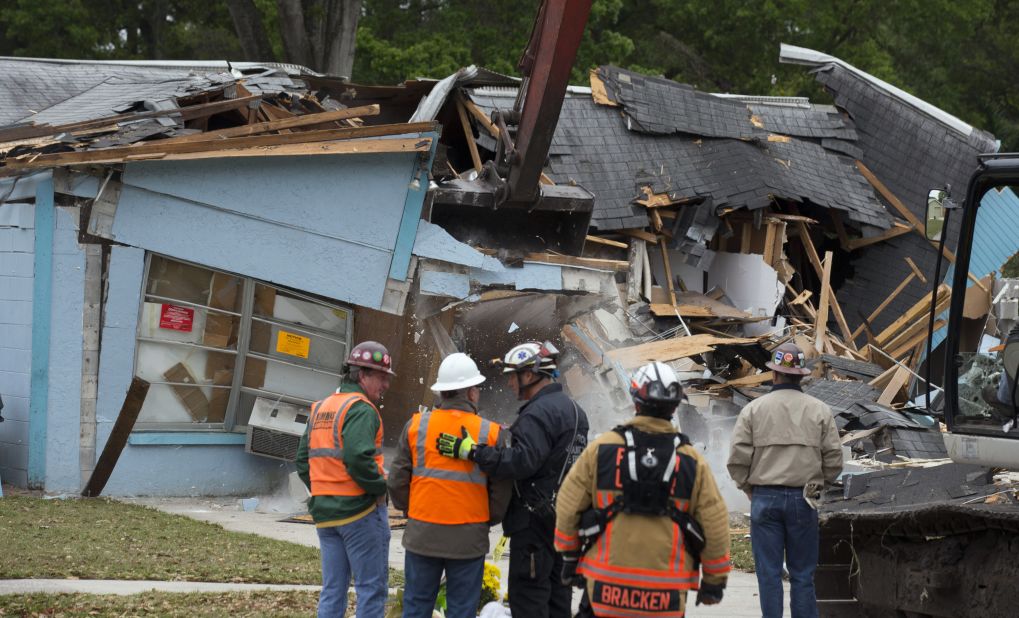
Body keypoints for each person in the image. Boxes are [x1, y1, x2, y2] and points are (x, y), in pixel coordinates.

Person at [554, 361, 732, 617]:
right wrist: (714, 583)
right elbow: (715, 527)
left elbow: (567, 508)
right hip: (666, 598)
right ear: (675, 406)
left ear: (635, 400)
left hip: (605, 592)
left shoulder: (601, 449)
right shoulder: (691, 461)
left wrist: (570, 558)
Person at [436, 341, 589, 618]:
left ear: (528, 375)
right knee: (558, 602)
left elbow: (521, 462)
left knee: (528, 601)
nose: (509, 384)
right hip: (564, 524)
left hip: (533, 529)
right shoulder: (575, 411)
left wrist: (472, 451)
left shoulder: (537, 414)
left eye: (511, 376)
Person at [388, 352, 513, 618]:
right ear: (470, 393)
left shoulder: (416, 426)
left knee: (416, 608)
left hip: (422, 535)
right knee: (462, 610)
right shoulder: (490, 433)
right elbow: (501, 491)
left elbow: (397, 480)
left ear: (442, 392)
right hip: (468, 539)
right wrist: (486, 519)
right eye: (477, 388)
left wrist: (413, 510)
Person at [727, 342, 843, 618]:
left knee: (768, 576)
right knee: (803, 575)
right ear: (801, 375)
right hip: (804, 499)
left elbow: (736, 460)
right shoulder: (819, 410)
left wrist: (749, 489)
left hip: (764, 498)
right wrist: (817, 487)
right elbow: (834, 461)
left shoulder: (754, 410)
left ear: (774, 374)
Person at [296, 340, 395, 618]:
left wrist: (325, 488)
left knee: (333, 590)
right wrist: (381, 488)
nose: (386, 384)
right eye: (382, 377)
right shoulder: (362, 409)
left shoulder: (321, 408)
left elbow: (303, 461)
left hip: (326, 517)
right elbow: (357, 458)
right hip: (360, 513)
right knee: (371, 590)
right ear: (362, 375)